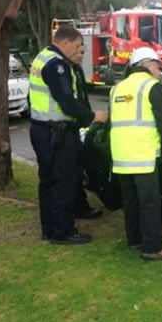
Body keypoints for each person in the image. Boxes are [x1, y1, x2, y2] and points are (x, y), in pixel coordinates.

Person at [29, 26, 107, 245]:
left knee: (49, 181)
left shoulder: (42, 57)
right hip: (56, 132)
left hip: (42, 128)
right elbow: (66, 101)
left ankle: (50, 228)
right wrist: (93, 117)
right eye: (76, 47)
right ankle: (62, 231)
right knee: (62, 181)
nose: (78, 51)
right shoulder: (57, 65)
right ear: (64, 42)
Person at [109, 47, 162, 261]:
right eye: (158, 65)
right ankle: (152, 248)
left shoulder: (117, 88)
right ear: (147, 64)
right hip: (143, 154)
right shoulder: (152, 86)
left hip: (121, 155)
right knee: (149, 202)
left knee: (130, 200)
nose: (160, 70)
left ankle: (134, 239)